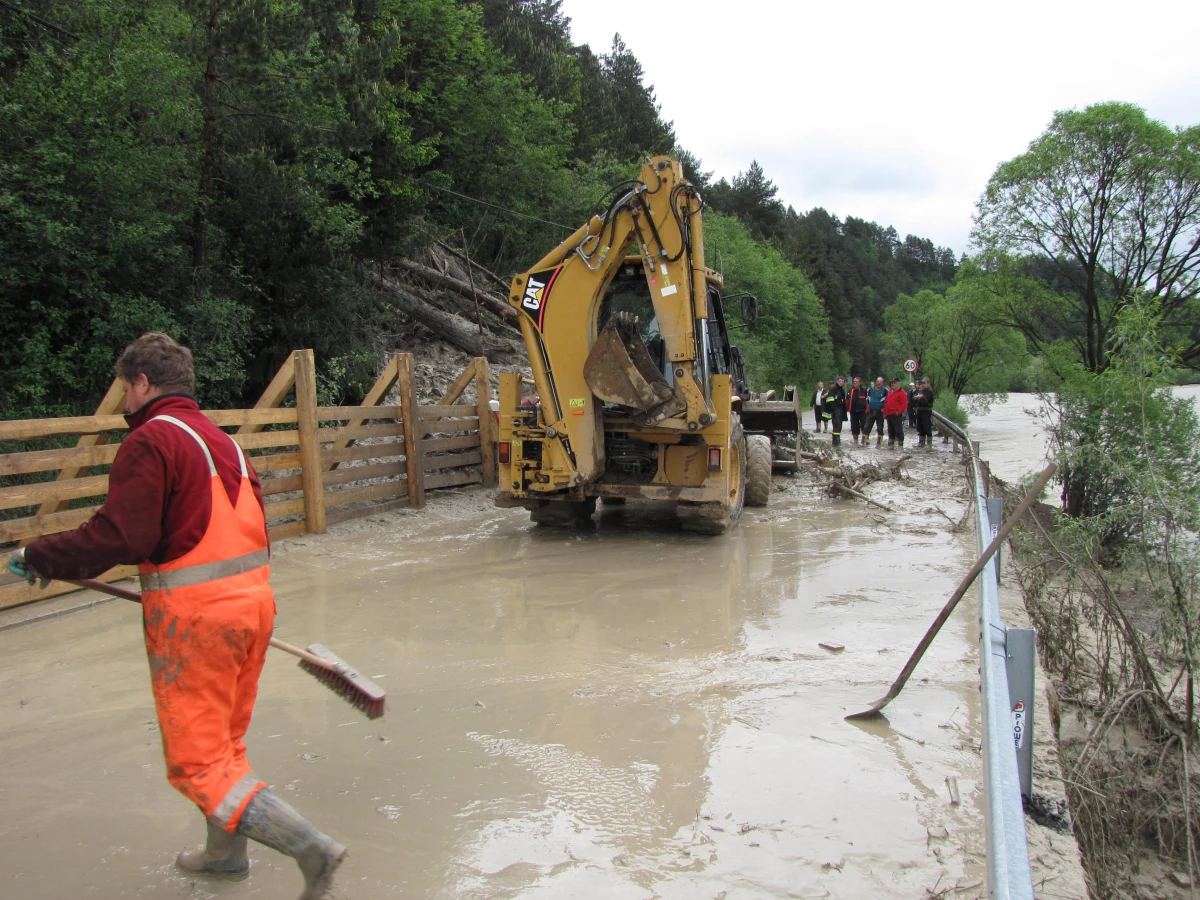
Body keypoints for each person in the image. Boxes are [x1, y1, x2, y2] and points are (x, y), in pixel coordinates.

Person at [7, 334, 346, 899]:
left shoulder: (152, 442)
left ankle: (312, 848)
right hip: (253, 610)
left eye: (124, 387)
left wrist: (39, 556)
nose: (122, 400)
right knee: (225, 745)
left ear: (142, 382)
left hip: (198, 624)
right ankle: (223, 856)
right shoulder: (224, 443)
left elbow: (122, 536)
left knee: (196, 764)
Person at [883, 377, 909, 448]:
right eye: (892, 383)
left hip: (896, 414)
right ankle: (891, 444)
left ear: (898, 384)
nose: (892, 384)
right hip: (889, 414)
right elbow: (886, 402)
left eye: (894, 383)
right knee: (890, 430)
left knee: (898, 430)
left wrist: (899, 412)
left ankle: (900, 444)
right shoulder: (890, 392)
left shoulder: (902, 393)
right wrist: (885, 413)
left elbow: (904, 404)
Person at [823, 375, 848, 446]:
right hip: (836, 410)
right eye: (839, 381)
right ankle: (835, 441)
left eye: (842, 381)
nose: (841, 382)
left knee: (839, 426)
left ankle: (837, 439)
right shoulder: (833, 389)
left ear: (844, 383)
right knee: (836, 425)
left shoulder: (841, 390)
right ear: (837, 381)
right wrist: (833, 409)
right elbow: (829, 399)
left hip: (841, 410)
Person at [912, 377, 936, 447]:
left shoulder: (930, 392)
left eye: (924, 383)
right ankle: (921, 442)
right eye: (922, 383)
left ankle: (929, 443)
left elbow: (927, 402)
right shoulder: (920, 391)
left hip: (926, 411)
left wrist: (922, 397)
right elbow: (914, 401)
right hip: (919, 411)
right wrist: (916, 398)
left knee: (927, 427)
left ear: (928, 383)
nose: (923, 385)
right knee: (920, 427)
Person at [864, 376, 888, 446]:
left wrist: (884, 408)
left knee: (880, 427)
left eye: (880, 382)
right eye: (878, 381)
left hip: (880, 412)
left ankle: (879, 442)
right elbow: (867, 398)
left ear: (883, 383)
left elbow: (888, 401)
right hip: (871, 411)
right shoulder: (870, 390)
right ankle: (865, 440)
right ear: (876, 382)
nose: (879, 383)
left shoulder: (885, 391)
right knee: (867, 426)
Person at [847, 376, 869, 446]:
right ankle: (855, 440)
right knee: (854, 426)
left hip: (862, 411)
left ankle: (865, 439)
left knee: (864, 425)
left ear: (860, 383)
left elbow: (868, 400)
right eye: (854, 382)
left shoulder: (864, 390)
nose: (855, 383)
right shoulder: (850, 390)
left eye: (856, 382)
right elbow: (847, 400)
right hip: (853, 411)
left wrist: (867, 409)